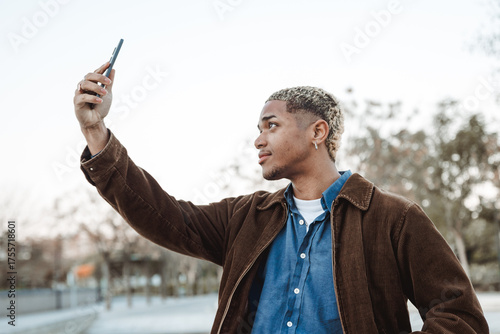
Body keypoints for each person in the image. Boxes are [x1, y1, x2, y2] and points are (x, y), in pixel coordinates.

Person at [74, 62, 489, 334]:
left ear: (317, 132)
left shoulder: (393, 218)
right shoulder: (246, 217)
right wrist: (96, 133)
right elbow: (163, 216)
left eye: (271, 125)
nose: (258, 139)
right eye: (259, 128)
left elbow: (459, 314)